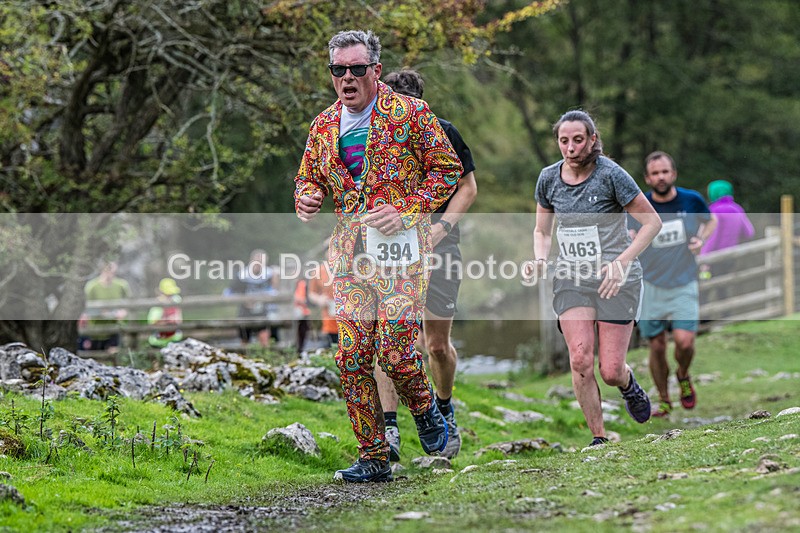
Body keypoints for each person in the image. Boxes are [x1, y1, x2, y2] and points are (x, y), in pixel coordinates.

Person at [294, 30, 463, 483]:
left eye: (355, 69)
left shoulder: (409, 113)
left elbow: (448, 171)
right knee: (350, 356)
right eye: (338, 70)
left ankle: (427, 411)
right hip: (350, 255)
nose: (346, 78)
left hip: (402, 254)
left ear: (375, 70)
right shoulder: (323, 125)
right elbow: (308, 177)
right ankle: (373, 456)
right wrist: (308, 197)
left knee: (395, 353)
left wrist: (408, 210)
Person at [524, 110, 661, 448]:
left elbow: (652, 223)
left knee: (610, 370)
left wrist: (622, 262)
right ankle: (598, 437)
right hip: (571, 277)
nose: (570, 148)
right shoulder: (548, 179)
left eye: (578, 140)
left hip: (614, 278)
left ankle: (628, 385)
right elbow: (542, 230)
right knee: (580, 357)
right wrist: (540, 259)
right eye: (563, 141)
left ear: (592, 140)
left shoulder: (611, 175)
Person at [374, 69, 478, 461]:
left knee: (435, 345)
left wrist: (441, 228)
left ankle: (445, 408)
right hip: (390, 251)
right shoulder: (374, 135)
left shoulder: (444, 132)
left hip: (440, 246)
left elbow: (468, 188)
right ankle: (389, 428)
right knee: (390, 342)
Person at [630, 151, 717, 418]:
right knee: (656, 345)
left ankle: (682, 374)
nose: (660, 177)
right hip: (651, 283)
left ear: (673, 174)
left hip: (684, 281)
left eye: (665, 172)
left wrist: (701, 239)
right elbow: (627, 232)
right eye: (655, 173)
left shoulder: (691, 200)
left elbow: (711, 220)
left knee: (685, 342)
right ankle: (665, 400)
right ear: (647, 178)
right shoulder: (640, 205)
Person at [226, 249, 280, 349]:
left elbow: (274, 292)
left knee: (265, 337)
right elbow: (229, 292)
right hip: (245, 311)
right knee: (245, 340)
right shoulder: (242, 275)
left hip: (263, 310)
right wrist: (243, 299)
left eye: (262, 261)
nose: (259, 263)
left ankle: (265, 358)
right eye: (257, 260)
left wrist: (274, 279)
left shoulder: (269, 275)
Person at [700, 179, 755, 275]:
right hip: (731, 257)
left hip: (714, 258)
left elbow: (712, 238)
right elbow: (749, 232)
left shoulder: (714, 211)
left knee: (708, 285)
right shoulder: (737, 209)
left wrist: (703, 259)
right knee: (724, 286)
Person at [78, 261, 132, 353]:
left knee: (114, 355)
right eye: (107, 270)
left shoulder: (122, 285)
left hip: (114, 328)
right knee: (95, 356)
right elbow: (86, 308)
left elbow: (128, 304)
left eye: (112, 271)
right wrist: (101, 312)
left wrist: (123, 312)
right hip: (95, 329)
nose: (109, 274)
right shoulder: (92, 286)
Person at [308, 259, 338, 348]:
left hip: (349, 316)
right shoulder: (319, 271)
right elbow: (311, 293)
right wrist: (319, 299)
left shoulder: (350, 268)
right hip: (329, 315)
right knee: (332, 344)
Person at [147, 278, 183, 348]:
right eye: (168, 295)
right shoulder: (157, 307)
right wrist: (168, 321)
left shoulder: (175, 302)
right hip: (159, 341)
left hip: (174, 339)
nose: (170, 297)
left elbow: (179, 320)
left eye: (172, 294)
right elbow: (152, 322)